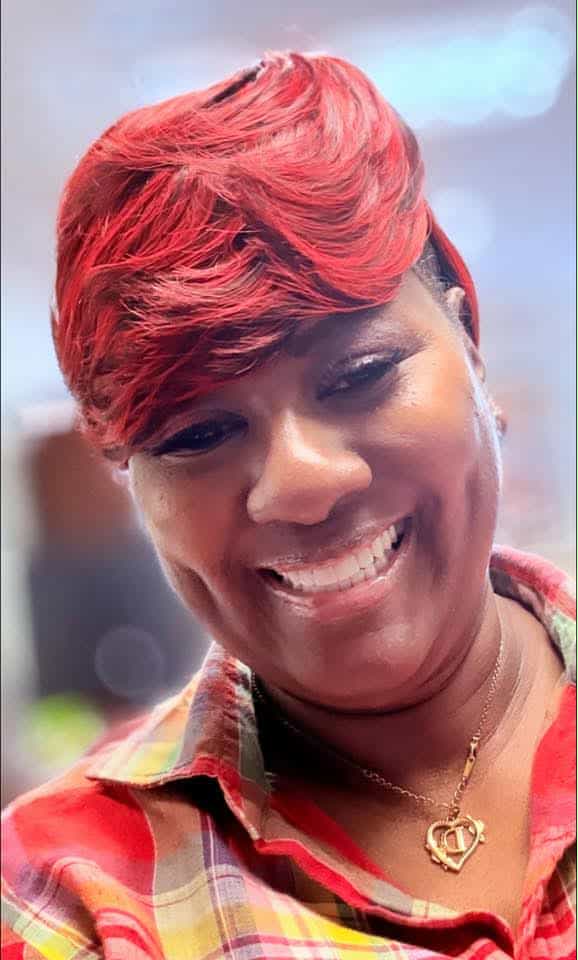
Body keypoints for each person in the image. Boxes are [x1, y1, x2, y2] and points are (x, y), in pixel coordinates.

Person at [2, 52, 575, 959]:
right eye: (196, 433)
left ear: (471, 349)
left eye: (360, 373)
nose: (301, 483)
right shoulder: (70, 895)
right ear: (135, 488)